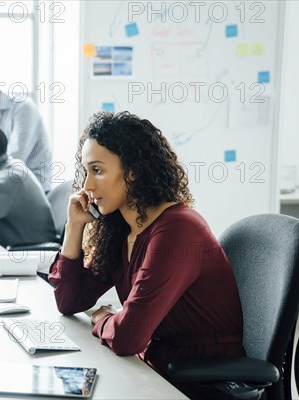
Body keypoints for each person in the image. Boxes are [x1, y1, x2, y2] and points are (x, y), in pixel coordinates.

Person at [48, 111, 245, 399]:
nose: (87, 185)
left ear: (133, 171)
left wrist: (102, 318)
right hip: (155, 368)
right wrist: (74, 226)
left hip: (200, 382)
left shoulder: (178, 229)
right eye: (85, 170)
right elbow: (69, 301)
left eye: (98, 170)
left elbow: (129, 336)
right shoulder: (121, 228)